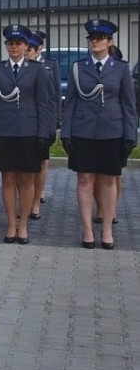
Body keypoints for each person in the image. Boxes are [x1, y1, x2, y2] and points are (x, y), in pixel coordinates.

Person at [62, 19, 136, 250]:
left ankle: (106, 229)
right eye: (91, 38)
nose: (95, 42)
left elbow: (128, 104)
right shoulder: (78, 67)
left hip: (111, 131)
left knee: (107, 179)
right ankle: (87, 230)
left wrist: (130, 135)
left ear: (109, 42)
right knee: (85, 179)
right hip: (83, 131)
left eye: (100, 38)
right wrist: (66, 133)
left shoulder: (121, 68)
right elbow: (70, 104)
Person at [0, 25, 53, 245]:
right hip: (4, 131)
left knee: (26, 180)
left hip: (29, 131)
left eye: (18, 43)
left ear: (26, 46)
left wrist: (45, 132)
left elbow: (44, 103)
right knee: (8, 180)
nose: (14, 47)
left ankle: (23, 225)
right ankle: (11, 224)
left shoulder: (37, 70)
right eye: (10, 43)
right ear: (6, 45)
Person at [26, 31, 60, 220]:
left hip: (44, 120)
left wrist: (55, 122)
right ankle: (27, 197)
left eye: (31, 48)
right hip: (26, 123)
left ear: (38, 49)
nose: (27, 52)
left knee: (41, 162)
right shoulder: (22, 65)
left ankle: (36, 199)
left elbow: (54, 97)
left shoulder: (50, 65)